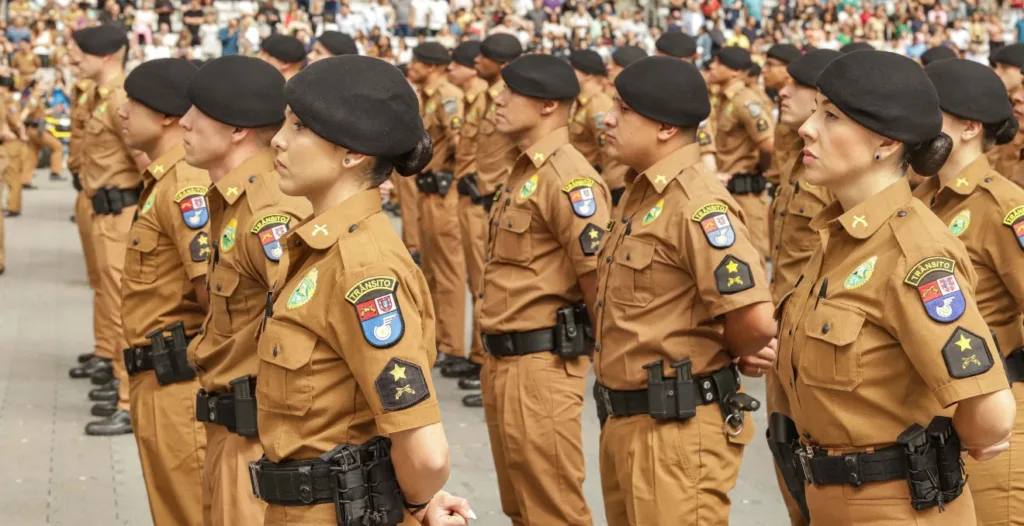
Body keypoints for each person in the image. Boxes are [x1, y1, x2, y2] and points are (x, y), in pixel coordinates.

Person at [775, 50, 1016, 525]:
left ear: (883, 141)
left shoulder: (914, 253)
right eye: (815, 109)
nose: (807, 127)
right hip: (830, 495)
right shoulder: (842, 238)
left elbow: (989, 414)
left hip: (896, 505)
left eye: (831, 116)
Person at [247, 52, 475, 526]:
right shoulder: (322, 246)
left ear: (352, 154)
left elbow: (426, 451)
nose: (278, 141)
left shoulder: (361, 269)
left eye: (299, 128)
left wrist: (414, 505)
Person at [594, 55, 775, 526]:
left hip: (675, 430)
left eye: (624, 109)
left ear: (666, 128)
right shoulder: (645, 194)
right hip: (631, 421)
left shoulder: (698, 205)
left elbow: (754, 320)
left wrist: (733, 350)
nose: (608, 118)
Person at [180, 55, 311, 525]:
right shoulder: (233, 200)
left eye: (200, 110)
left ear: (237, 129)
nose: (185, 122)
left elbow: (309, 334)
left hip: (259, 441)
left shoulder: (268, 213)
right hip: (230, 430)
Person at [480, 53, 608, 525]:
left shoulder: (568, 179)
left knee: (551, 509)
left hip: (542, 366)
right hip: (505, 362)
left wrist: (606, 365)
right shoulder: (526, 171)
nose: (498, 98)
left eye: (512, 92)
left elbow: (597, 281)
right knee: (522, 507)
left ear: (548, 104)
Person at [915, 58, 1024, 526]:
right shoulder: (919, 201)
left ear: (968, 127)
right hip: (925, 416)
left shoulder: (1004, 208)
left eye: (929, 113)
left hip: (992, 423)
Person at [111, 57, 208, 525]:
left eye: (134, 101)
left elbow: (214, 294)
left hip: (181, 382)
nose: (123, 112)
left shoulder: (185, 184)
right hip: (158, 378)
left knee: (191, 513)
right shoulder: (163, 180)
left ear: (168, 114)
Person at [765, 48, 840, 526]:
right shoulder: (797, 158)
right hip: (783, 335)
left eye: (796, 85)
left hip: (821, 342)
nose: (781, 90)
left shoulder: (839, 168)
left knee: (822, 479)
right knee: (790, 469)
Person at [66, 25, 150, 436]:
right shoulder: (97, 95)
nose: (72, 59)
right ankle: (111, 367)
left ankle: (127, 398)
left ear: (103, 56)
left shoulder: (118, 98)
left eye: (79, 53)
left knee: (122, 306)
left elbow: (142, 162)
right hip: (98, 205)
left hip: (120, 210)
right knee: (105, 291)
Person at [456, 33, 522, 409]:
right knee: (478, 284)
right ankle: (484, 362)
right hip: (478, 199)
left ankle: (491, 366)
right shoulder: (489, 95)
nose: (476, 61)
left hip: (497, 204)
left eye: (484, 57)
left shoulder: (512, 99)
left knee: (492, 287)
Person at [406, 42, 466, 367]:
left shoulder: (447, 96)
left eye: (415, 61)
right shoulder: (428, 96)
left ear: (430, 66)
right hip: (428, 192)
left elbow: (461, 145)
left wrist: (452, 178)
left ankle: (455, 346)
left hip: (445, 193)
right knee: (430, 271)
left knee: (449, 272)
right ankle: (439, 341)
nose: (411, 65)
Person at [439, 41, 487, 386]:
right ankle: (472, 353)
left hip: (477, 197)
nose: (450, 68)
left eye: (457, 64)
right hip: (459, 192)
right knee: (465, 277)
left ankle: (481, 356)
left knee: (479, 281)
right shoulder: (471, 99)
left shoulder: (485, 98)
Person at [708, 46, 774, 261]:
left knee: (751, 261)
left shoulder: (745, 101)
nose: (712, 66)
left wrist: (760, 169)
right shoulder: (721, 98)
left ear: (735, 71)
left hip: (745, 193)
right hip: (723, 191)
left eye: (719, 63)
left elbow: (768, 144)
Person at [567, 49, 628, 207]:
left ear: (587, 74)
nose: (568, 72)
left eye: (572, 68)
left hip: (595, 182)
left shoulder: (598, 104)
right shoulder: (581, 102)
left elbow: (608, 153)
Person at [763, 43, 801, 185]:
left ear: (788, 68)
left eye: (770, 65)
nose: (764, 70)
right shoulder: (781, 100)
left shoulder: (800, 103)